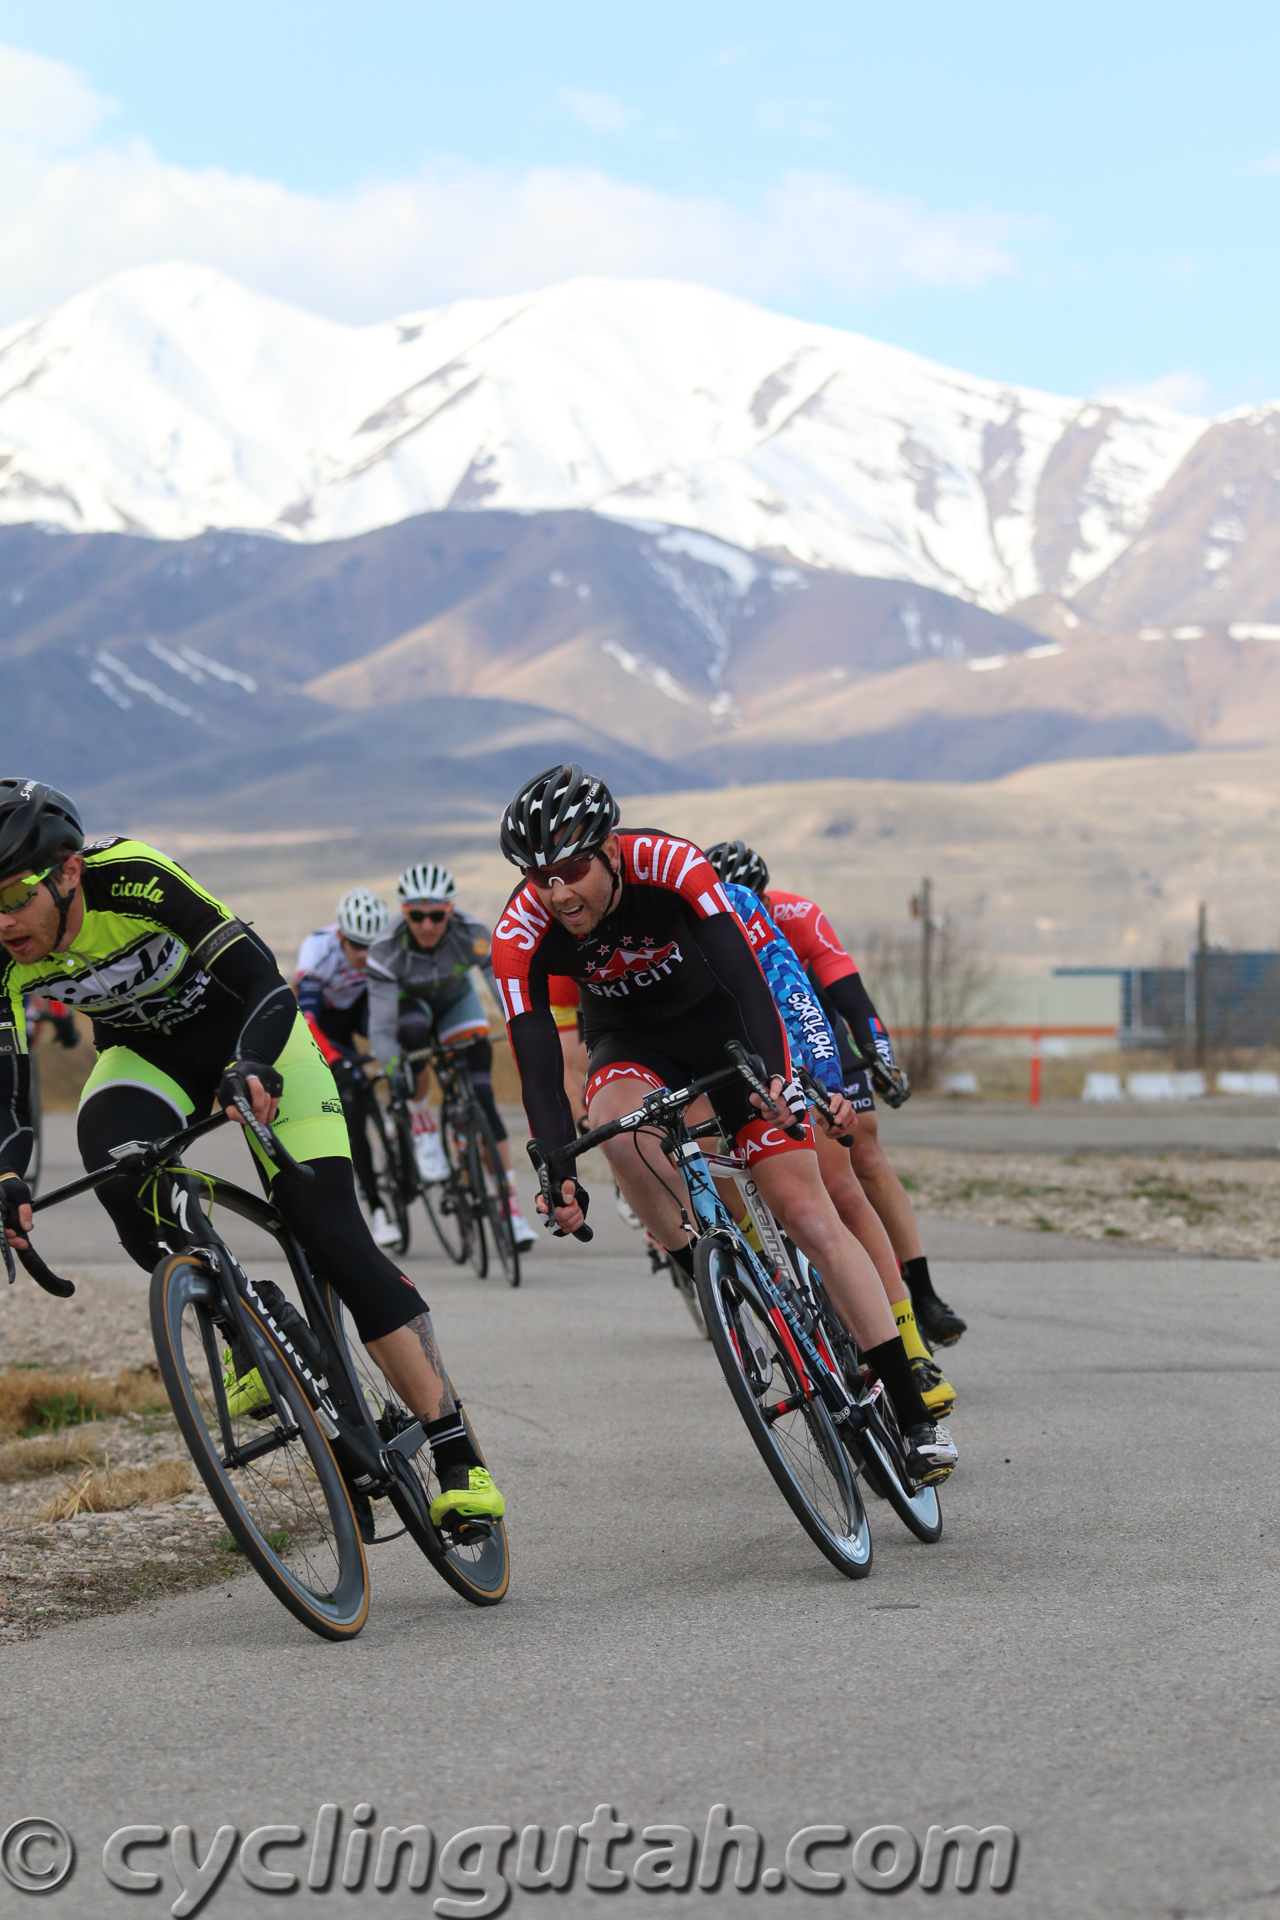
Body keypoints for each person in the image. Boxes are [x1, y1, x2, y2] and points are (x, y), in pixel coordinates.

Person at [0, 779, 503, 1534]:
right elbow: (10, 1096)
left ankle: (457, 1452)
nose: (2, 921)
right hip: (146, 1058)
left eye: (13, 897)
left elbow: (266, 980)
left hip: (256, 1036)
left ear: (68, 872)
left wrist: (255, 1064)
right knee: (120, 1175)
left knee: (330, 1233)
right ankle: (250, 1324)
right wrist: (8, 1178)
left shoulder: (131, 877)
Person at [491, 763, 956, 1485]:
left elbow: (748, 978)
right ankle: (706, 1274)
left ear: (611, 850)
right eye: (539, 877)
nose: (557, 893)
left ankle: (911, 1407)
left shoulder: (670, 863)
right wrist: (554, 1168)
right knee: (616, 1124)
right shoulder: (521, 930)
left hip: (726, 1027)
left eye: (572, 870)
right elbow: (537, 1063)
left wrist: (776, 1074)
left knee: (806, 1211)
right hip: (629, 1043)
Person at [706, 845, 954, 1416]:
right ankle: (764, 1283)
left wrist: (878, 1055)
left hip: (802, 1032)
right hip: (726, 1046)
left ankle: (912, 1342)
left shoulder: (793, 916)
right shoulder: (683, 929)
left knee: (851, 1167)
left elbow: (846, 996)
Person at [367, 863, 537, 1252]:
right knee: (409, 1035)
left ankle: (510, 1209)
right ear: (404, 912)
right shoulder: (386, 949)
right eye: (416, 915)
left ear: (450, 909)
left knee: (482, 1094)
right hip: (412, 1009)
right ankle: (423, 1121)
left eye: (437, 914)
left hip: (456, 1004)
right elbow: (381, 1027)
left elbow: (501, 989)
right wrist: (396, 1071)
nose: (427, 925)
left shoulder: (472, 935)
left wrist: (520, 1031)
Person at [295, 888, 401, 1248]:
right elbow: (307, 1020)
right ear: (341, 936)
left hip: (364, 1009)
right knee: (352, 1110)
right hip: (330, 1022)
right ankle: (377, 1207)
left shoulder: (381, 949)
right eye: (356, 945)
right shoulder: (317, 950)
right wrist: (337, 1061)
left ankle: (406, 1123)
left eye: (370, 946)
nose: (364, 954)